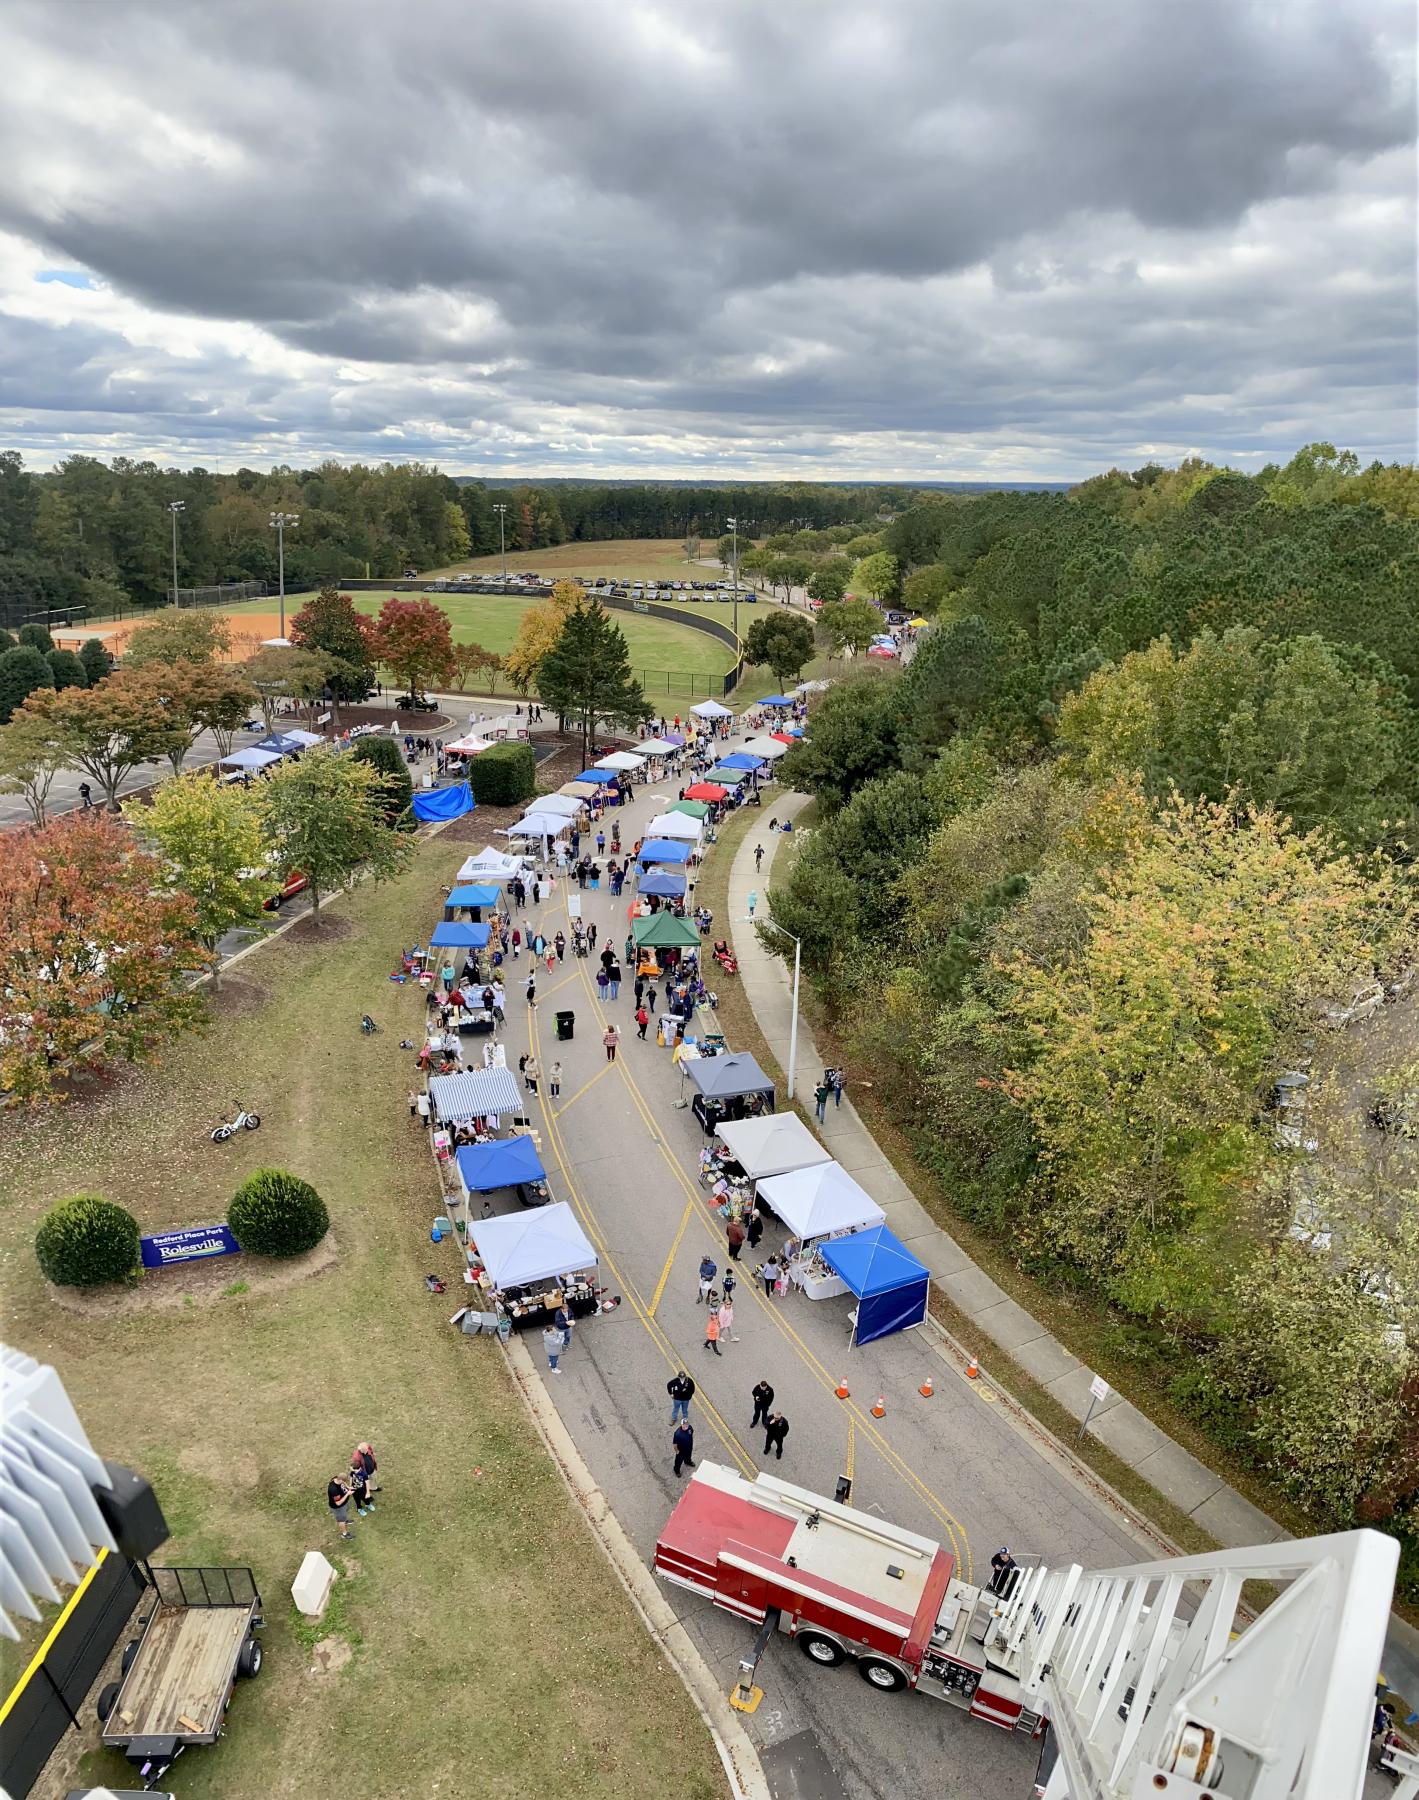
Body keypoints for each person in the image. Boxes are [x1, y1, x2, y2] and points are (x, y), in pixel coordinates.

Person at [328, 1473, 355, 1540]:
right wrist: (348, 1494)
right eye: (344, 1481)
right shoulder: (333, 1489)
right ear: (340, 1479)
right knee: (341, 1520)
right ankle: (344, 1534)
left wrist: (348, 1487)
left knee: (345, 1514)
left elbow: (343, 1482)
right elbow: (338, 1503)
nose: (344, 1482)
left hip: (344, 1504)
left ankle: (345, 1520)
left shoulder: (337, 1478)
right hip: (338, 1508)